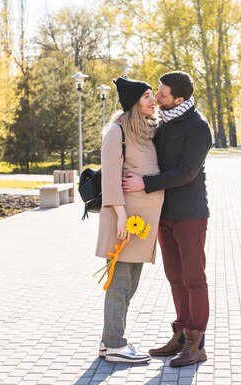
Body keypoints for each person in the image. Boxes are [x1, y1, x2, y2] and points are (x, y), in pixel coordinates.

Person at [122, 71, 213, 367]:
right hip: (164, 213)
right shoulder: (161, 124)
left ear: (179, 99)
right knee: (175, 277)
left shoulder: (198, 127)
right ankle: (181, 333)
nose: (157, 97)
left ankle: (195, 342)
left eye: (162, 93)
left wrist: (145, 183)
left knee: (193, 278)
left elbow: (187, 172)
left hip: (190, 214)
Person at [96, 76, 164, 364]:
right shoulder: (117, 131)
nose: (153, 100)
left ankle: (109, 340)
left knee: (130, 284)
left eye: (153, 95)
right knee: (120, 283)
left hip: (142, 221)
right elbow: (111, 177)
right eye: (147, 96)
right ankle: (114, 344)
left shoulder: (145, 130)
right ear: (134, 103)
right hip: (125, 221)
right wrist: (121, 217)